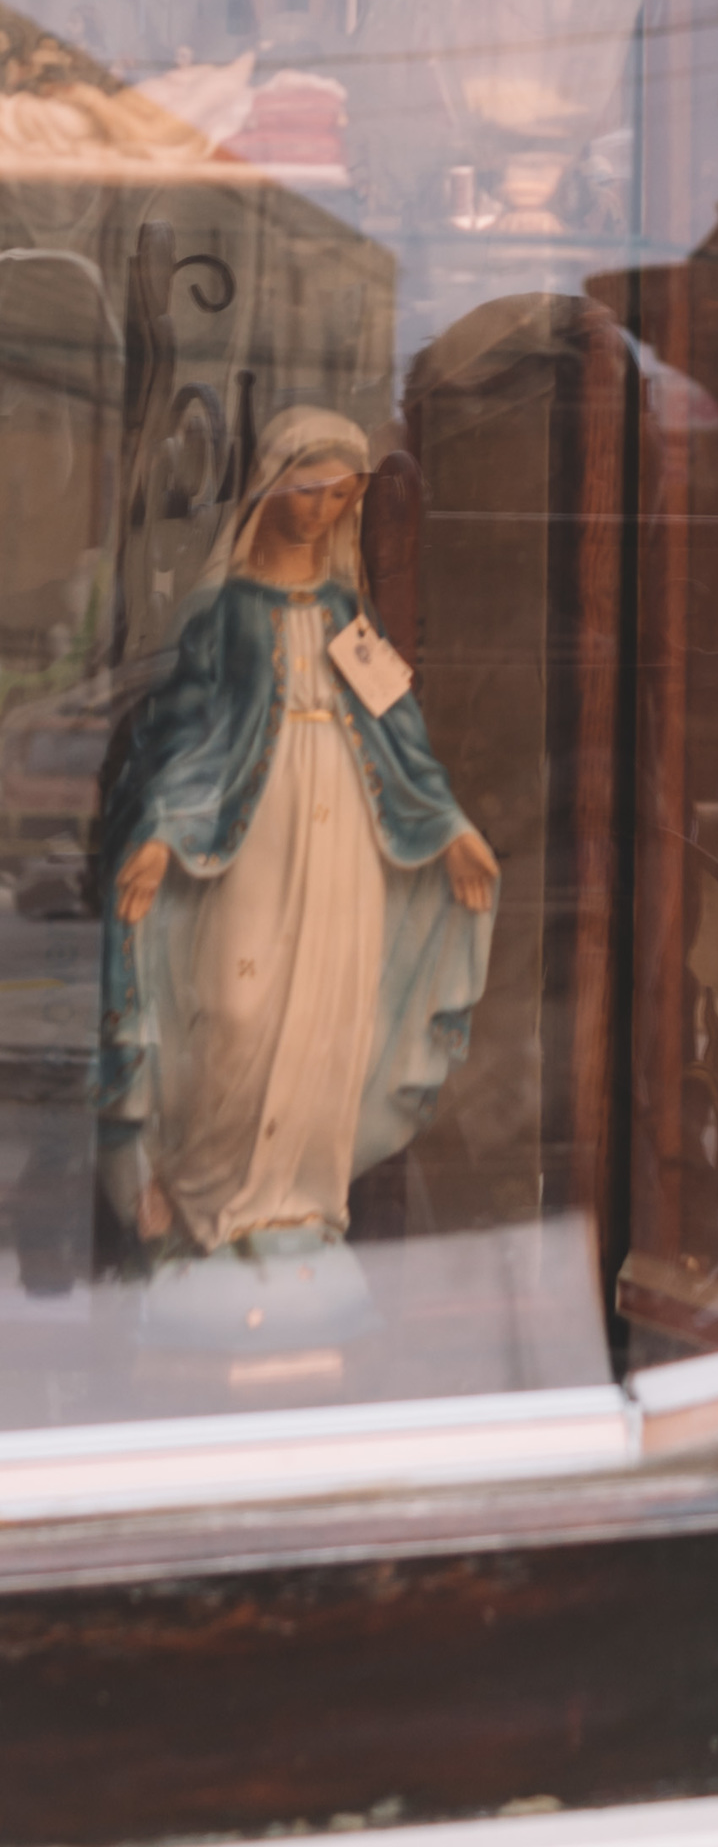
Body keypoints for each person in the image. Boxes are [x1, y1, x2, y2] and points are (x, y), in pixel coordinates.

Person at [97, 408, 498, 1258]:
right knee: (237, 1008)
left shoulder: (352, 612)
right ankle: (209, 1199)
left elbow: (399, 731)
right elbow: (184, 734)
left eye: (340, 495)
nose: (321, 510)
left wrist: (452, 828)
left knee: (329, 1017)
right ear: (272, 486)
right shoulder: (220, 610)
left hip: (346, 830)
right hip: (250, 829)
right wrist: (164, 834)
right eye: (308, 489)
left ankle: (300, 1210)